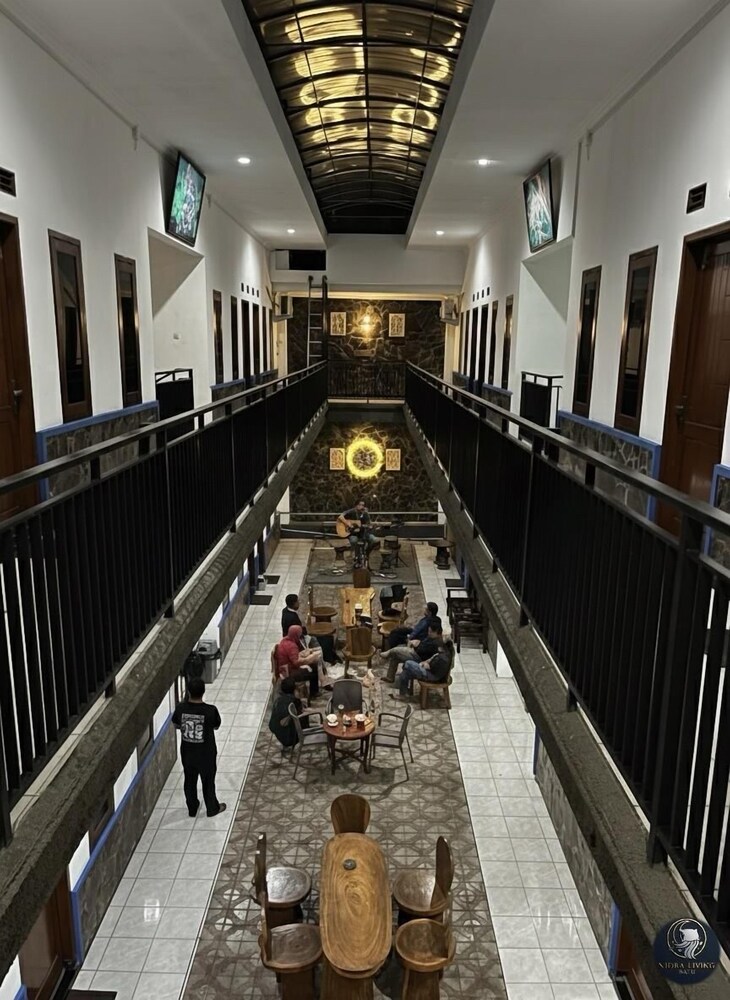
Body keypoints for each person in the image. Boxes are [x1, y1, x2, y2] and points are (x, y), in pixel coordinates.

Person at [171, 677, 226, 817]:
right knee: (208, 781)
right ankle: (212, 808)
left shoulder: (180, 708)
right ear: (203, 691)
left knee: (189, 780)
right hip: (206, 753)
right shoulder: (210, 710)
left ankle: (192, 807)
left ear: (189, 692)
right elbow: (216, 726)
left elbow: (176, 724)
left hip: (188, 753)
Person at [275, 624, 321, 698]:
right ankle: (314, 693)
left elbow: (292, 656)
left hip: (284, 668)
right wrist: (310, 658)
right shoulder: (292, 646)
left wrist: (303, 654)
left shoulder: (284, 640)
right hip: (289, 672)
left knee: (312, 667)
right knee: (313, 671)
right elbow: (296, 662)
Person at [268, 677, 306, 749]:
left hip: (278, 733)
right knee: (303, 713)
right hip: (290, 738)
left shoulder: (278, 699)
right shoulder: (294, 702)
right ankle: (307, 732)